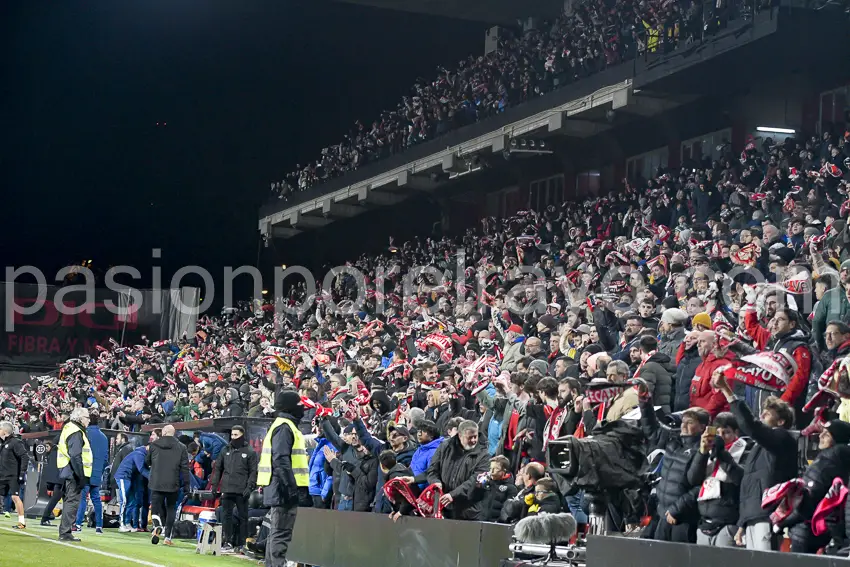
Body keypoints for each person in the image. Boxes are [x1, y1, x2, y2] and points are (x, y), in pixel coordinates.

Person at [711, 371, 797, 550]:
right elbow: (747, 482)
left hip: (769, 515)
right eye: (762, 412)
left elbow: (750, 426)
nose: (762, 415)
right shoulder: (758, 447)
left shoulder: (783, 438)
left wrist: (727, 390)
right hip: (753, 516)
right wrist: (743, 522)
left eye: (767, 413)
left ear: (781, 421)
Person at [639, 381, 708, 543]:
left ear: (703, 427)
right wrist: (644, 401)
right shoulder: (674, 439)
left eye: (690, 423)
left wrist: (676, 510)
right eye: (683, 421)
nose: (683, 426)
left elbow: (700, 487)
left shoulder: (705, 449)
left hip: (684, 519)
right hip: (664, 514)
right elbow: (652, 429)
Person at [258, 391, 309, 567]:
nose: (302, 407)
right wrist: (291, 488)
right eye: (299, 404)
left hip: (278, 487)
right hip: (283, 489)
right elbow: (281, 459)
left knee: (276, 533)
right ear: (290, 406)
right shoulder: (285, 427)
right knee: (281, 534)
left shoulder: (281, 425)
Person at [686, 412, 749, 547]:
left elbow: (740, 478)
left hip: (728, 524)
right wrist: (702, 453)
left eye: (726, 432)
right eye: (718, 432)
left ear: (736, 433)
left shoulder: (745, 451)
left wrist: (722, 453)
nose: (721, 437)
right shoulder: (707, 451)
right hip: (704, 522)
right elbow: (693, 479)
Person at [426, 420, 489, 520]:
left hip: (468, 512)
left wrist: (453, 495)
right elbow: (432, 469)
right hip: (443, 507)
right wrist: (435, 482)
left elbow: (475, 481)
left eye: (475, 436)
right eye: (469, 437)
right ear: (460, 435)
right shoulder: (445, 447)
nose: (473, 440)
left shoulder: (484, 455)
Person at [210, 425, 258, 552]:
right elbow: (218, 468)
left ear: (242, 435)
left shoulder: (249, 451)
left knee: (243, 517)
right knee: (226, 516)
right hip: (227, 488)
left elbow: (253, 471)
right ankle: (228, 541)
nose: (233, 437)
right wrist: (215, 485)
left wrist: (250, 486)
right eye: (232, 435)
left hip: (242, 490)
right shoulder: (225, 450)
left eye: (236, 435)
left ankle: (242, 544)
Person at [145, 425, 189, 546]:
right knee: (170, 508)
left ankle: (157, 525)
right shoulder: (181, 447)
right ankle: (168, 537)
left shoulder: (154, 445)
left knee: (155, 506)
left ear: (163, 433)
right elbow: (185, 468)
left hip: (156, 482)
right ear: (174, 433)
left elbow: (147, 461)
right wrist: (187, 486)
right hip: (172, 483)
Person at [57, 407, 92, 542]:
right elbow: (76, 456)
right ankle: (65, 533)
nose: (89, 420)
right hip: (73, 472)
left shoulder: (69, 428)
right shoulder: (76, 432)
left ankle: (64, 531)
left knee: (69, 502)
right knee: (72, 502)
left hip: (67, 470)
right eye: (87, 417)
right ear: (81, 418)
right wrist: (81, 476)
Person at [74, 410, 108, 533]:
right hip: (98, 472)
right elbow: (106, 458)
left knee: (82, 498)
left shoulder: (85, 434)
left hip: (85, 471)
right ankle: (99, 526)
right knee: (96, 499)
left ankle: (78, 524)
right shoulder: (104, 437)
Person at [114, 442, 150, 532]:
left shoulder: (140, 453)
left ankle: (127, 523)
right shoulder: (139, 454)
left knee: (132, 502)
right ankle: (121, 524)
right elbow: (141, 469)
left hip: (129, 478)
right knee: (124, 501)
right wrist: (152, 478)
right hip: (122, 476)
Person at [0, 421, 29, 530]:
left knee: (15, 497)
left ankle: (22, 522)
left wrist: (22, 473)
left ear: (5, 431)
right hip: (2, 475)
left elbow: (24, 457)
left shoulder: (16, 442)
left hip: (12, 476)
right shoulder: (3, 443)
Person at [474, 456, 518, 522]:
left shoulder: (511, 489)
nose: (492, 471)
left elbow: (508, 512)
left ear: (504, 470)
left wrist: (498, 522)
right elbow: (472, 497)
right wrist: (478, 484)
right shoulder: (486, 483)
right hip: (480, 522)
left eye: (496, 468)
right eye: (491, 468)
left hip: (497, 526)